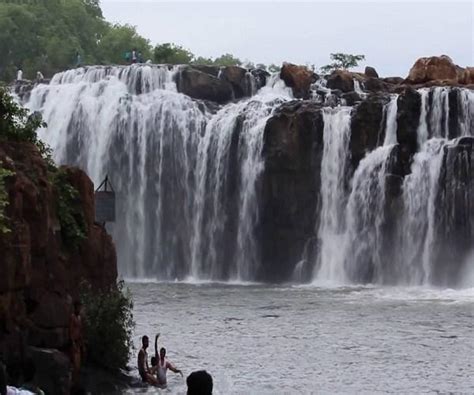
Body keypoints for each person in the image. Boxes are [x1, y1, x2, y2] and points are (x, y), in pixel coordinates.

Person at [69, 301, 84, 385]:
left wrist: (82, 342)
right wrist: (73, 342)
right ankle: (72, 382)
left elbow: (80, 330)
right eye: (78, 307)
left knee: (78, 365)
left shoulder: (79, 317)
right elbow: (70, 331)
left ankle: (75, 381)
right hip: (74, 341)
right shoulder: (72, 317)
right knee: (74, 363)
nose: (79, 309)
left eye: (80, 307)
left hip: (78, 341)